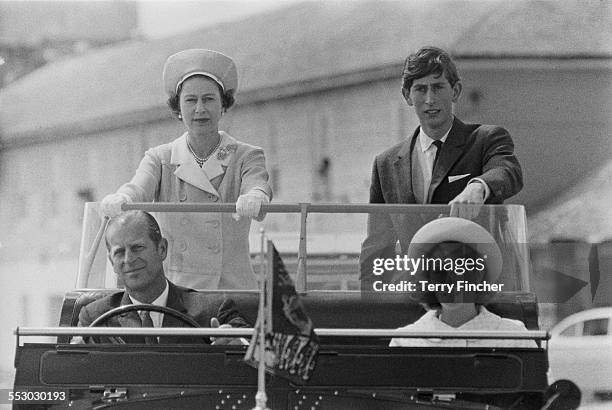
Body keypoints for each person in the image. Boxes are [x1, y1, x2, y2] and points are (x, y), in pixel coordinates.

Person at [100, 49, 272, 290]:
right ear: (178, 109)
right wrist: (123, 198)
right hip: (178, 292)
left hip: (232, 289)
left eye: (209, 99)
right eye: (191, 100)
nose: (200, 109)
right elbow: (139, 187)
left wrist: (256, 196)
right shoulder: (160, 158)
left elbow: (257, 183)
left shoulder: (246, 155)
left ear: (223, 106)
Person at [360, 46, 523, 287]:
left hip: (478, 295)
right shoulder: (386, 164)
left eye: (437, 87)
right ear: (407, 95)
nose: (429, 99)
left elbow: (508, 171)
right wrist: (370, 306)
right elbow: (377, 247)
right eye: (420, 89)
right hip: (417, 301)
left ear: (455, 91)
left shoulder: (486, 139)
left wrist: (478, 187)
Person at [76, 211, 249, 344]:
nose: (128, 259)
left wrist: (236, 343)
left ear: (162, 249)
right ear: (111, 261)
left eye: (137, 248)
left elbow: (264, 356)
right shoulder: (95, 318)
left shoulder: (213, 310)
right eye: (120, 252)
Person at [389, 217, 536, 348]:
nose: (449, 281)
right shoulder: (404, 341)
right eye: (439, 271)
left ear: (479, 275)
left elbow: (537, 378)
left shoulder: (515, 337)